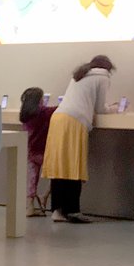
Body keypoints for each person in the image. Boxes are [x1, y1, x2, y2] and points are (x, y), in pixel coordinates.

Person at [42, 55, 115, 223]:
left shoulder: (80, 74)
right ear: (108, 68)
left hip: (59, 118)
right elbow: (100, 108)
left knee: (60, 165)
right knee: (74, 164)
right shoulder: (103, 77)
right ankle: (73, 210)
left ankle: (57, 211)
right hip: (75, 121)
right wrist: (114, 109)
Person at [19, 87, 54, 217]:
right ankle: (45, 196)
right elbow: (60, 110)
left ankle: (30, 206)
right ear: (39, 100)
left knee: (32, 179)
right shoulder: (44, 112)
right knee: (56, 174)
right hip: (44, 151)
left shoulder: (25, 116)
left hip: (30, 151)